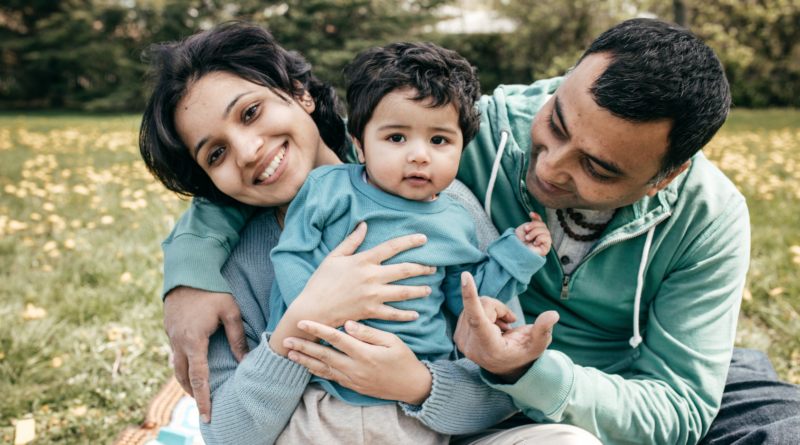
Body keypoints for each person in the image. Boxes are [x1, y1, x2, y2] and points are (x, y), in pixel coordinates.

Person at [158, 18, 800, 445]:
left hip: (592, 382)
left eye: (597, 167)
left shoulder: (708, 219)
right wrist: (189, 267)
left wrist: (510, 374)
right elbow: (283, 171)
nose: (548, 166)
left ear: (666, 175)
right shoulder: (472, 133)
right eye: (556, 120)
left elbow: (681, 405)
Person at [140, 22, 597, 444]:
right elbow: (226, 434)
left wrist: (416, 384)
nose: (246, 150)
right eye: (215, 153)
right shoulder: (223, 270)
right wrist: (303, 318)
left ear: (299, 93)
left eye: (251, 112)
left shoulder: (445, 205)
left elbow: (497, 391)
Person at [265, 41, 552, 408]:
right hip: (325, 381)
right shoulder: (329, 190)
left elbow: (468, 301)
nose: (419, 154)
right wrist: (313, 317)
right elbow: (291, 254)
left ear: (461, 149)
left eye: (439, 140)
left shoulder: (456, 220)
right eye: (396, 137)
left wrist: (517, 255)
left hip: (414, 391)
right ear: (360, 144)